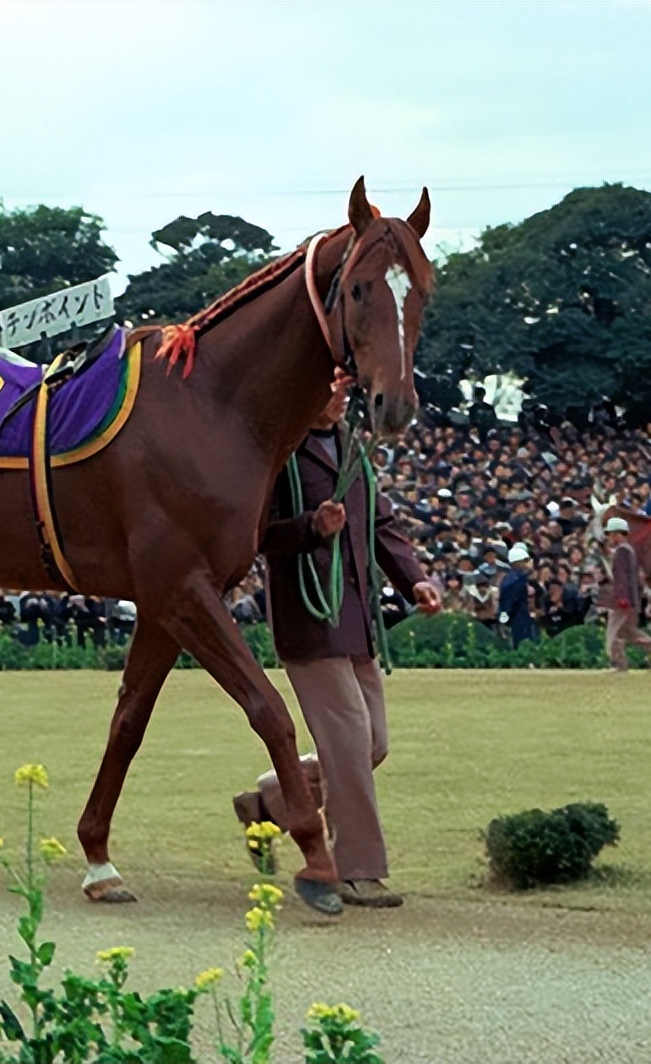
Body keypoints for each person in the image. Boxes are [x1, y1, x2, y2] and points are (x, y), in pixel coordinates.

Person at [242, 369, 441, 911]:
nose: (338, 397)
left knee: (373, 743)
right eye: (328, 387)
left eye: (343, 390)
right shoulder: (278, 450)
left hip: (357, 620)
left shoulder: (352, 447)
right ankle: (356, 869)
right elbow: (254, 536)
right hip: (309, 618)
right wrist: (310, 528)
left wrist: (415, 577)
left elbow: (382, 525)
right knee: (351, 744)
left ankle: (273, 798)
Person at [599, 516, 651, 671]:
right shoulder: (628, 550)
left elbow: (622, 577)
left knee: (614, 632)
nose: (609, 537)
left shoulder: (622, 551)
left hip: (622, 600)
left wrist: (622, 597)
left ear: (617, 534)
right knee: (630, 632)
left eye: (610, 534)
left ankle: (618, 663)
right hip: (631, 599)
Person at [498, 543, 537, 646]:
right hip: (518, 617)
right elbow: (512, 600)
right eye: (525, 561)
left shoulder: (512, 577)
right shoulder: (515, 579)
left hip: (519, 616)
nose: (526, 564)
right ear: (517, 562)